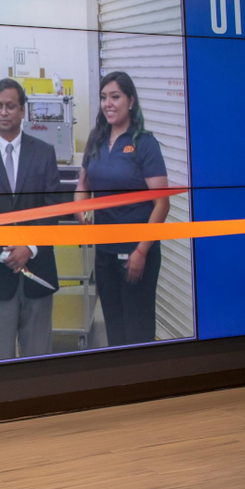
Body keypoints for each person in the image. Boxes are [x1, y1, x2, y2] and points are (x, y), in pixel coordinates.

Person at [0, 78, 63, 361]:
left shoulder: (43, 153)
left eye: (10, 106)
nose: (3, 112)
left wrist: (28, 247)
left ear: (22, 111)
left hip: (38, 270)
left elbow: (52, 207)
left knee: (38, 357)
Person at [75, 71, 169, 346]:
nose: (108, 104)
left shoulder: (144, 143)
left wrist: (140, 251)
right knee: (114, 331)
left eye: (115, 97)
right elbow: (83, 184)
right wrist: (80, 208)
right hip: (104, 253)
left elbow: (162, 204)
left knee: (137, 332)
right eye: (104, 98)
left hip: (138, 253)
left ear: (130, 101)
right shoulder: (96, 139)